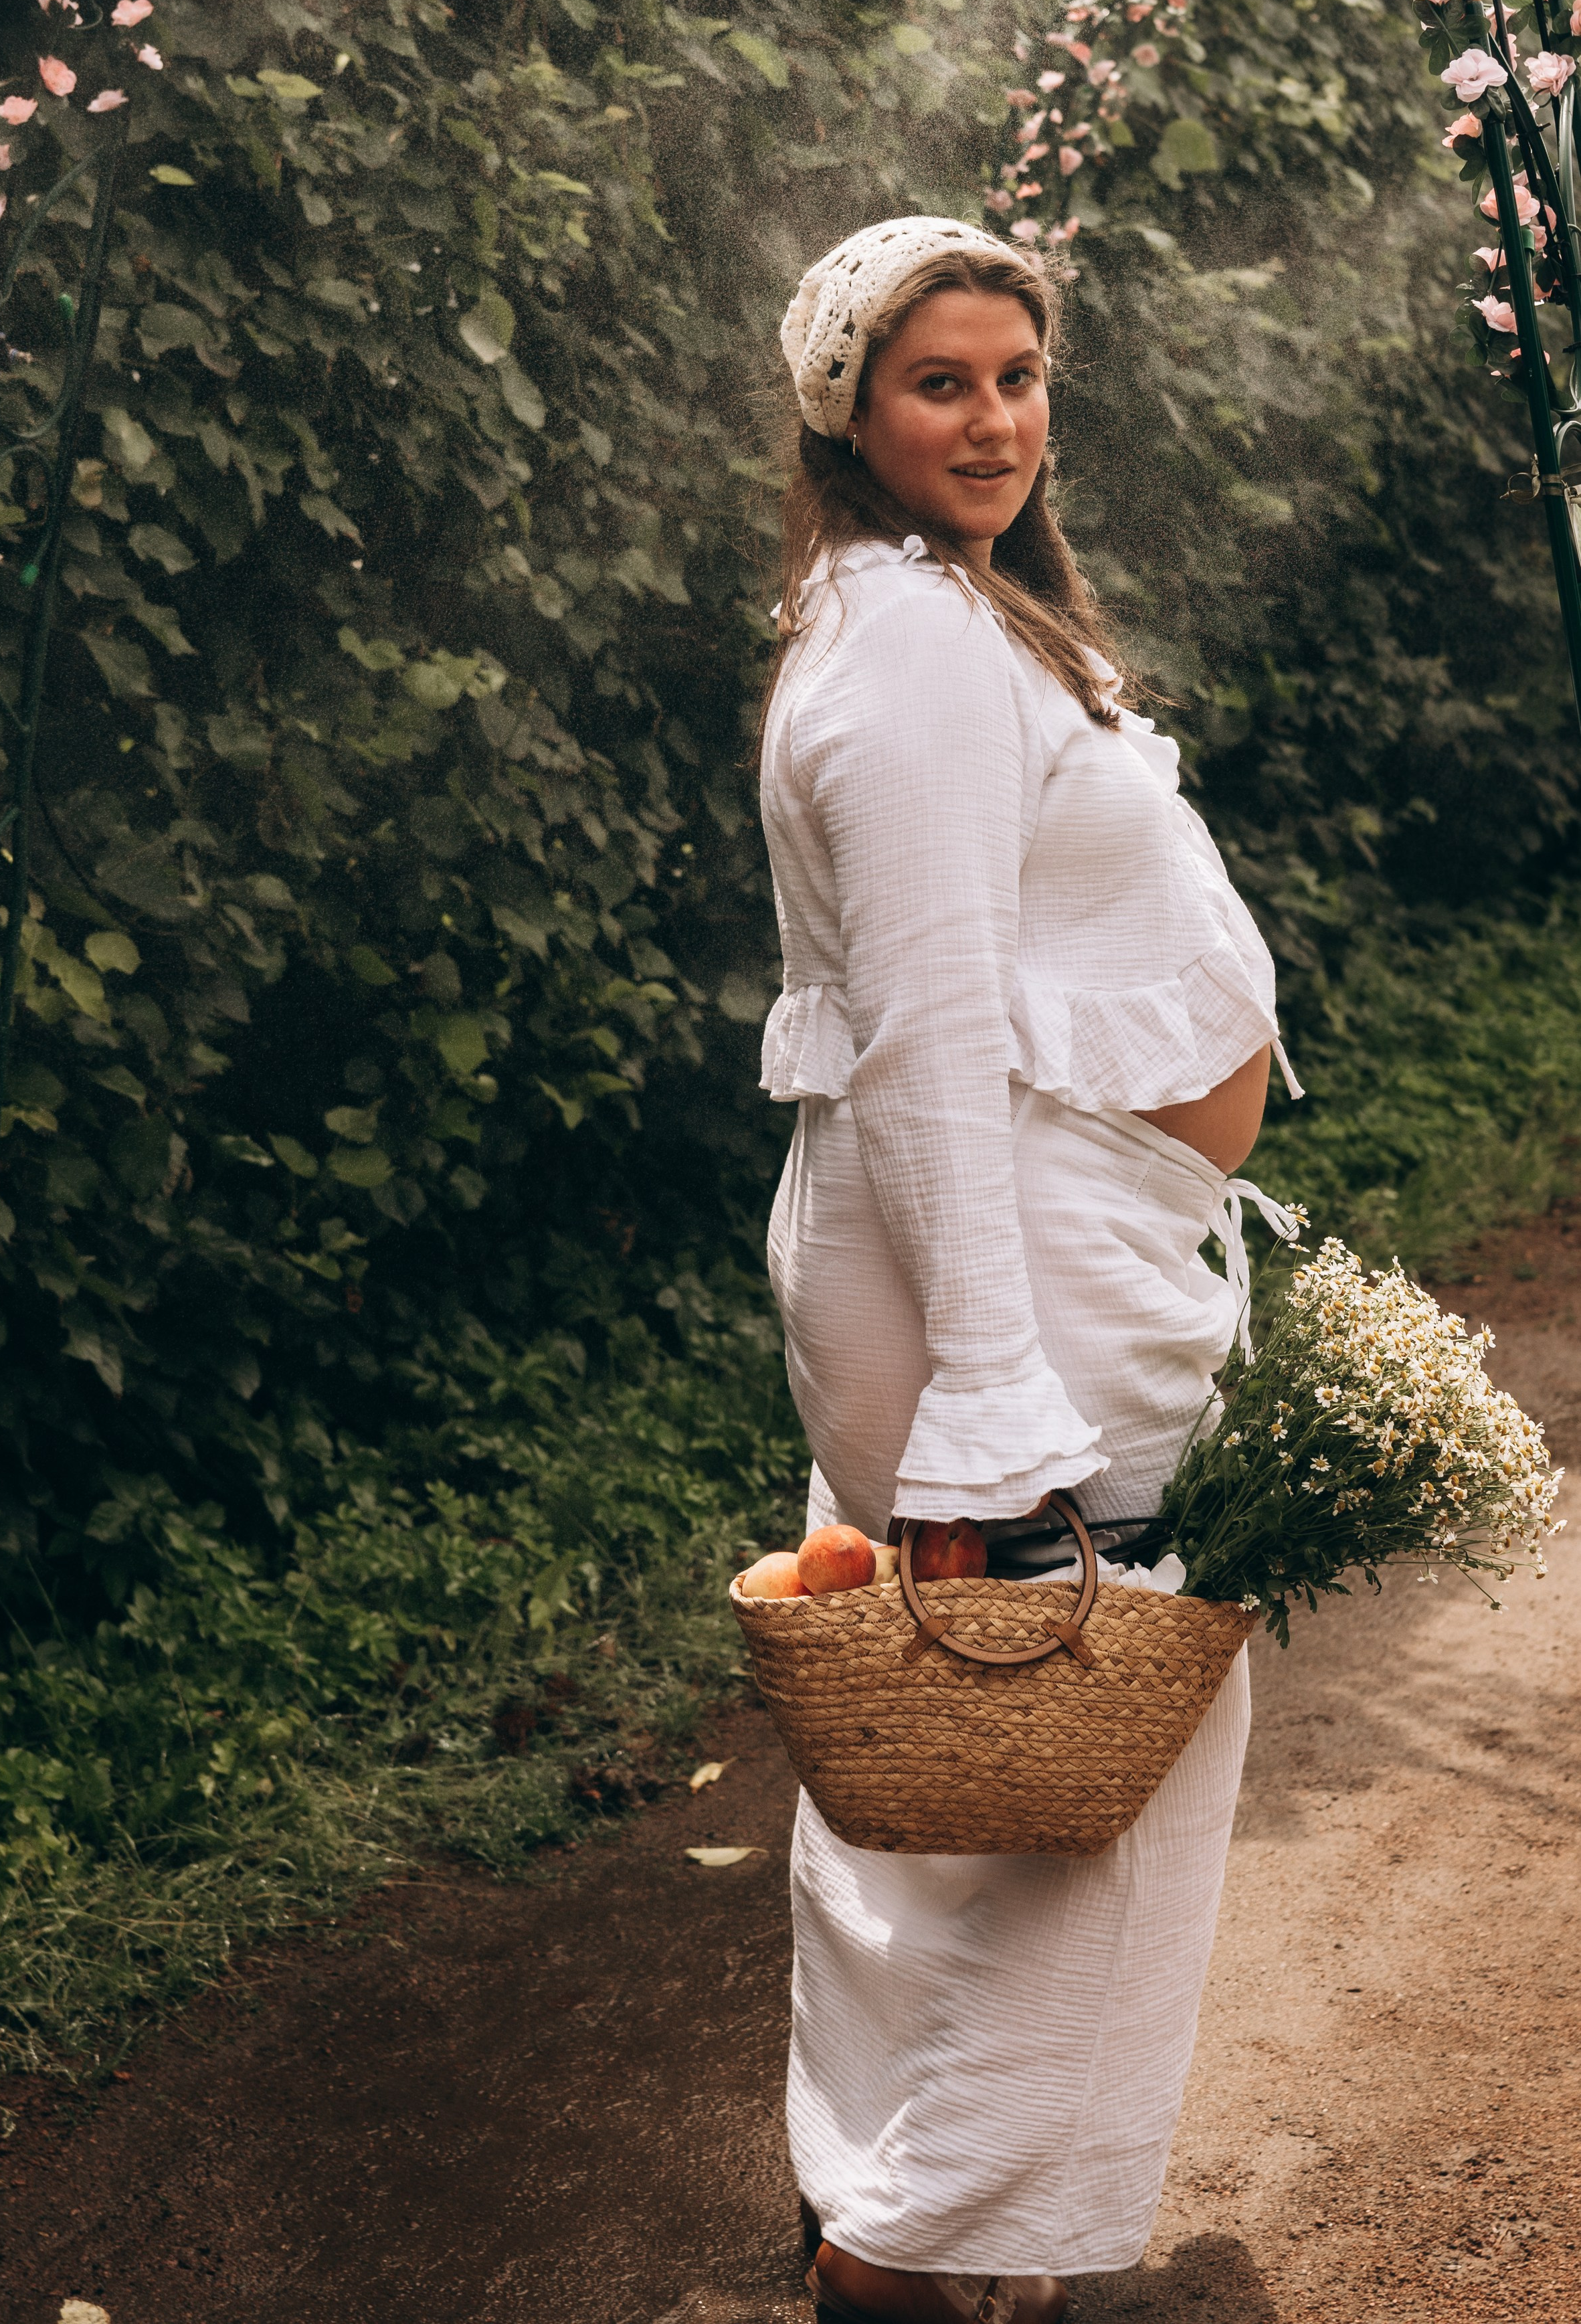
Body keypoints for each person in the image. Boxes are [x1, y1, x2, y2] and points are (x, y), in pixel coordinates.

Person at [759, 217, 1303, 2324]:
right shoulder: (905, 645)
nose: (994, 421)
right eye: (941, 385)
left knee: (950, 1745)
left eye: (1018, 377)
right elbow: (923, 1023)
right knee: (1088, 1779)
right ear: (848, 412)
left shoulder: (929, 610)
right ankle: (914, 2261)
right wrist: (996, 1400)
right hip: (1005, 1275)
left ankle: (900, 2206)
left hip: (1024, 1251)